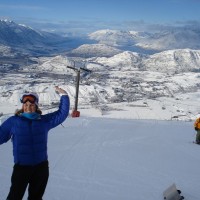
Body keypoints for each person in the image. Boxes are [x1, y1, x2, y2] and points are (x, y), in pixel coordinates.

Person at [0, 86, 70, 200]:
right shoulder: (13, 122)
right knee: (14, 196)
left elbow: (61, 114)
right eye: (26, 105)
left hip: (41, 168)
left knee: (36, 197)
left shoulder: (43, 121)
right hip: (21, 168)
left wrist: (64, 95)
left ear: (36, 106)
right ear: (22, 106)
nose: (28, 107)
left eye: (31, 105)